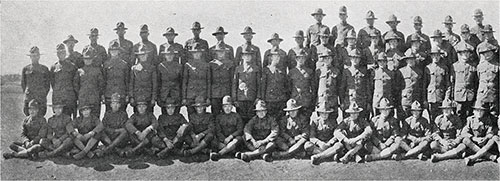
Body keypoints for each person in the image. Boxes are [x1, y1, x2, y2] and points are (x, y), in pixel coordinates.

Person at [462, 101, 498, 166]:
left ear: (484, 112)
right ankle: (490, 156)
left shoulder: (487, 120)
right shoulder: (470, 119)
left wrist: (485, 138)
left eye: (481, 111)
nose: (479, 112)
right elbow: (464, 132)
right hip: (474, 143)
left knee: (492, 140)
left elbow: (490, 132)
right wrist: (474, 138)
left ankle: (473, 158)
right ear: (473, 111)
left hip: (484, 143)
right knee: (465, 140)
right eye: (477, 110)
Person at [209, 27, 235, 114]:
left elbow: (232, 77)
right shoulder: (211, 53)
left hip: (226, 90)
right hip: (215, 92)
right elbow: (209, 78)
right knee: (215, 113)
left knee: (226, 112)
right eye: (217, 35)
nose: (220, 53)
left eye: (221, 34)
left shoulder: (229, 49)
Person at [210, 96, 244, 161]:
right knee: (213, 140)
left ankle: (220, 154)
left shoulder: (237, 116)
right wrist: (223, 139)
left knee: (239, 139)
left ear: (232, 107)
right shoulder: (219, 117)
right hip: (222, 140)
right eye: (225, 106)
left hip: (233, 139)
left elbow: (239, 130)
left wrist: (230, 137)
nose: (227, 108)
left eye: (229, 106)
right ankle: (232, 151)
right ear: (222, 107)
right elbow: (218, 131)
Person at [341, 49, 372, 120]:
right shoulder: (346, 71)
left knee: (362, 121)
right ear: (350, 59)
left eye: (357, 58)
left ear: (360, 59)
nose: (355, 60)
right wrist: (342, 101)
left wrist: (368, 102)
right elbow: (342, 88)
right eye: (353, 58)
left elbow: (367, 88)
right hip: (349, 101)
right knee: (348, 121)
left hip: (361, 101)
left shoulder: (364, 72)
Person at [450, 42, 478, 121]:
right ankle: (459, 130)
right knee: (458, 113)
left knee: (469, 113)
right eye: (463, 53)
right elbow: (452, 83)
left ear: (469, 54)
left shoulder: (473, 66)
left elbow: (476, 82)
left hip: (470, 94)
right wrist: (452, 98)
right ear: (460, 54)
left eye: (467, 53)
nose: (465, 55)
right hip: (459, 95)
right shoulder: (455, 66)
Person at [95, 93, 129, 157]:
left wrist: (116, 131)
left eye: (117, 103)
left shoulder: (123, 114)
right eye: (113, 103)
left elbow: (125, 127)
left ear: (119, 105)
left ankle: (107, 149)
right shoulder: (107, 114)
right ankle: (117, 150)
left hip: (119, 139)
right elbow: (103, 126)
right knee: (100, 132)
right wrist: (113, 131)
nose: (115, 105)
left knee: (125, 132)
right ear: (110, 105)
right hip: (109, 137)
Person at [232, 47, 261, 122]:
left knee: (252, 117)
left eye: (249, 55)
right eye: (245, 55)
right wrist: (234, 99)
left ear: (252, 57)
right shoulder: (238, 68)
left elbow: (259, 84)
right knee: (241, 118)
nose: (247, 57)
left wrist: (258, 97)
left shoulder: (255, 68)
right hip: (240, 98)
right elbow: (235, 84)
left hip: (252, 97)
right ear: (242, 57)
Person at [50, 43, 78, 118]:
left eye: (62, 52)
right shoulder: (53, 67)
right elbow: (53, 83)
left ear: (65, 53)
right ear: (56, 54)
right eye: (58, 53)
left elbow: (75, 83)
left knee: (68, 119)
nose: (60, 54)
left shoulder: (72, 66)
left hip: (69, 98)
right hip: (58, 98)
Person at [75, 48, 105, 118]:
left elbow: (101, 84)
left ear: (92, 59)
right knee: (83, 119)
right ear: (83, 59)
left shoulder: (97, 71)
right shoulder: (79, 71)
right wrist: (80, 93)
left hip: (94, 99)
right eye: (85, 59)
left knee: (95, 117)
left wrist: (98, 94)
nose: (87, 61)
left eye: (89, 59)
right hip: (83, 99)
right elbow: (76, 84)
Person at [424, 47, 452, 121]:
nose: (436, 57)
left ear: (440, 56)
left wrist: (446, 98)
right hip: (431, 97)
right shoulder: (428, 68)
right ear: (431, 56)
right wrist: (425, 99)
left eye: (437, 55)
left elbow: (448, 85)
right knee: (431, 118)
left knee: (441, 118)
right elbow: (424, 85)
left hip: (441, 97)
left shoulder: (444, 68)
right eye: (434, 55)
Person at [182, 43, 211, 115]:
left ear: (201, 54)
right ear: (192, 54)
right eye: (195, 53)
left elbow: (209, 81)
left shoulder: (206, 65)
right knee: (191, 114)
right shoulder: (188, 65)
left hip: (202, 94)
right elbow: (184, 82)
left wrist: (208, 97)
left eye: (198, 53)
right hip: (190, 94)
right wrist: (184, 97)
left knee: (202, 115)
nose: (197, 54)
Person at [21, 46, 50, 117]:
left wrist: (41, 94)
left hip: (40, 99)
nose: (34, 58)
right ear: (30, 57)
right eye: (32, 56)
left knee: (40, 119)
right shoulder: (26, 69)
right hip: (29, 98)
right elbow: (23, 84)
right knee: (29, 119)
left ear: (39, 56)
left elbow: (47, 85)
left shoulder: (44, 69)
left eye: (36, 56)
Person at [260, 50, 290, 118]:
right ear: (271, 58)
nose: (277, 59)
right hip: (269, 100)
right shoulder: (266, 70)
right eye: (275, 57)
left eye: (278, 57)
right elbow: (263, 86)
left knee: (281, 118)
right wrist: (262, 98)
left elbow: (286, 85)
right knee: (270, 118)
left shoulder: (282, 70)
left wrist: (286, 98)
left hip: (281, 100)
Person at [129, 44, 158, 113]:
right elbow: (131, 83)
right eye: (141, 55)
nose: (142, 56)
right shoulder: (134, 68)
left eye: (144, 55)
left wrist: (153, 98)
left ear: (147, 55)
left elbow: (154, 84)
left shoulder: (151, 68)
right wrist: (132, 96)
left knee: (149, 114)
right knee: (137, 115)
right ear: (138, 56)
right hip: (137, 96)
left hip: (148, 96)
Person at [396, 53, 425, 119]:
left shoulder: (419, 71)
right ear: (406, 61)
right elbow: (397, 87)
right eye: (409, 59)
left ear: (415, 60)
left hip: (416, 99)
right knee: (405, 120)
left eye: (412, 59)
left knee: (416, 119)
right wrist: (398, 101)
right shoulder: (401, 71)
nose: (410, 61)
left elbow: (422, 87)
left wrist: (423, 100)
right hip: (405, 100)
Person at [314, 48, 341, 117]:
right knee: (321, 120)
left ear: (332, 59)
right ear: (323, 59)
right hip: (321, 101)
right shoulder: (318, 71)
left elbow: (340, 88)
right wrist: (315, 101)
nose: (327, 60)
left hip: (332, 101)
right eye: (325, 58)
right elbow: (315, 87)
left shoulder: (336, 71)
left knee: (333, 119)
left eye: (329, 58)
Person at [104, 41, 130, 112]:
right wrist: (103, 94)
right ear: (109, 51)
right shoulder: (106, 64)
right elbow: (104, 80)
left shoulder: (124, 64)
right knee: (109, 113)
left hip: (121, 93)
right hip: (109, 93)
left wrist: (127, 94)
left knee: (122, 114)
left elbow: (127, 80)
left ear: (119, 51)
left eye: (116, 50)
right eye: (112, 50)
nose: (114, 52)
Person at [288, 49, 315, 117]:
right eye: (299, 58)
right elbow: (288, 88)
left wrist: (312, 101)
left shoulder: (309, 72)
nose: (301, 60)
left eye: (303, 58)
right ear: (296, 59)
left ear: (305, 59)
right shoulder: (292, 72)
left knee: (305, 121)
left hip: (306, 101)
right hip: (295, 101)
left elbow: (313, 88)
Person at [475, 42, 499, 116]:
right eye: (484, 53)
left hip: (493, 93)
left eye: (489, 53)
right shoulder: (479, 66)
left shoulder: (497, 66)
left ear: (493, 53)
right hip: (482, 93)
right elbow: (478, 78)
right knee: (480, 112)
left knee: (494, 113)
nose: (487, 55)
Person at [157, 48, 183, 114]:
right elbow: (158, 82)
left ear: (174, 55)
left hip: (176, 93)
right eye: (167, 55)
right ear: (165, 56)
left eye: (171, 55)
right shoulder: (160, 66)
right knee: (165, 113)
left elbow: (181, 82)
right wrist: (158, 96)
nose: (169, 56)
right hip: (164, 94)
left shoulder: (179, 66)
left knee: (176, 113)